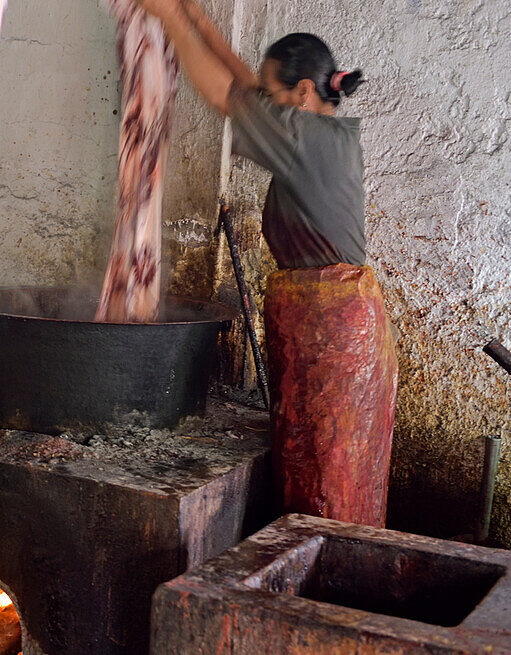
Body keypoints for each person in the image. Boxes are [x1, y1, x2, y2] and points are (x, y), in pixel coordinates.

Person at [137, 0, 398, 526]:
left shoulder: (305, 138)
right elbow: (250, 92)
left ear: (303, 94)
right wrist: (203, 24)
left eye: (278, 95)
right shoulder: (324, 132)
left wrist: (167, 18)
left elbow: (223, 96)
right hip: (337, 324)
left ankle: (325, 586)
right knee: (329, 468)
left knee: (326, 480)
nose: (268, 104)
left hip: (333, 333)